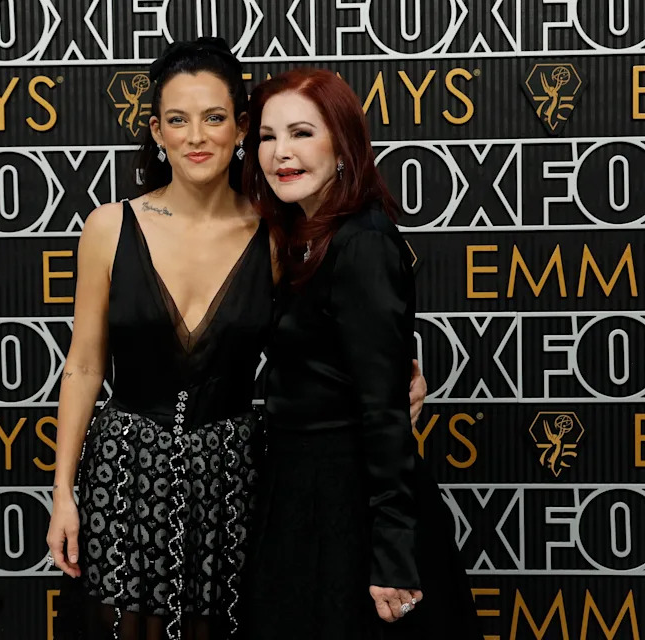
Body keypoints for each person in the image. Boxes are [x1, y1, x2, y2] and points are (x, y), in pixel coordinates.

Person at [45, 40, 428, 640]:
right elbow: (84, 367)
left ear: (240, 127)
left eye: (215, 117)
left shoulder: (277, 231)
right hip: (123, 473)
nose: (196, 136)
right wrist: (64, 491)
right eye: (177, 119)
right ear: (157, 131)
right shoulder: (108, 227)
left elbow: (331, 331)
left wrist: (400, 372)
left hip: (234, 482)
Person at [240, 68, 482, 640]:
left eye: (302, 133)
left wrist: (393, 551)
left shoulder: (363, 242)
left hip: (352, 508)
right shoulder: (303, 236)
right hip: (301, 493)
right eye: (268, 137)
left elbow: (384, 411)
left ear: (343, 143)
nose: (282, 153)